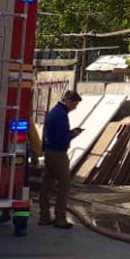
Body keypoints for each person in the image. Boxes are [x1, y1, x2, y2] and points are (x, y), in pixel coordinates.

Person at [39, 90, 83, 229]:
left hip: (49, 152)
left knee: (47, 185)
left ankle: (44, 216)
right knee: (64, 185)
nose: (75, 107)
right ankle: (60, 218)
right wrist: (73, 134)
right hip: (58, 153)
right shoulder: (61, 115)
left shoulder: (54, 112)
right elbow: (61, 138)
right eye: (75, 104)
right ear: (69, 101)